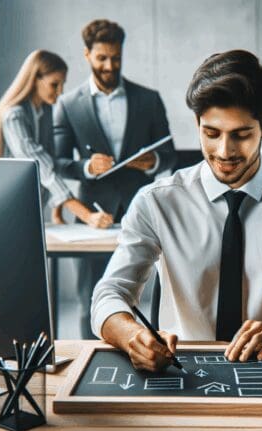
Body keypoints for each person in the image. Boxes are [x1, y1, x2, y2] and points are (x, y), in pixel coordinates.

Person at [91, 50, 262, 372]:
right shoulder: (156, 201)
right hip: (180, 368)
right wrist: (132, 336)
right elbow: (109, 293)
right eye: (211, 133)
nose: (224, 151)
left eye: (241, 135)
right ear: (197, 124)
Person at [53, 19, 176, 338]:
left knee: (141, 298)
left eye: (116, 57)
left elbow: (170, 153)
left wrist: (154, 162)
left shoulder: (148, 99)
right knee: (89, 300)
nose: (110, 65)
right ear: (87, 55)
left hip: (140, 209)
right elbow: (58, 163)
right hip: (93, 213)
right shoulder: (68, 104)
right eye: (102, 58)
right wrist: (86, 168)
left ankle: (145, 357)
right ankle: (86, 370)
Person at [0, 50, 113, 229]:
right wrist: (88, 216)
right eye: (54, 84)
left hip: (29, 213)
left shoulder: (45, 112)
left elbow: (50, 161)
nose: (60, 92)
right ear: (35, 79)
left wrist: (57, 213)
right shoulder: (14, 117)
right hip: (6, 215)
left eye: (62, 85)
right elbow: (42, 170)